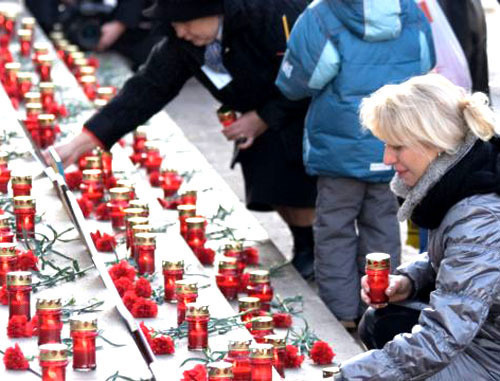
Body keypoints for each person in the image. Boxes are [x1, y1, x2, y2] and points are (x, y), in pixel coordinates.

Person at [53, 0, 318, 277]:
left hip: (299, 108)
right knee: (271, 182)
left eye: (186, 23)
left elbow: (308, 77)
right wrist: (83, 140)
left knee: (295, 183)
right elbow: (147, 88)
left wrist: (264, 116)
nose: (181, 32)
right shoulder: (183, 41)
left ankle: (312, 251)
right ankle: (304, 245)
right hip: (254, 110)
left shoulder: (271, 17)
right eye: (175, 25)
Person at [275, 0, 435, 326]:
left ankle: (341, 314)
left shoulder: (321, 15)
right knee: (384, 225)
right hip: (392, 145)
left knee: (334, 229)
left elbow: (296, 83)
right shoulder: (410, 11)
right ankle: (380, 305)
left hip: (339, 149)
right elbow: (425, 66)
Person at [337, 73, 500, 380]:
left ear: (434, 143)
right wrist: (410, 280)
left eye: (397, 146)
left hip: (491, 357)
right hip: (483, 336)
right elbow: (463, 258)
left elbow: (442, 339)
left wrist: (350, 376)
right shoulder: (464, 177)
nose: (387, 158)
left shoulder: (481, 215)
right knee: (380, 321)